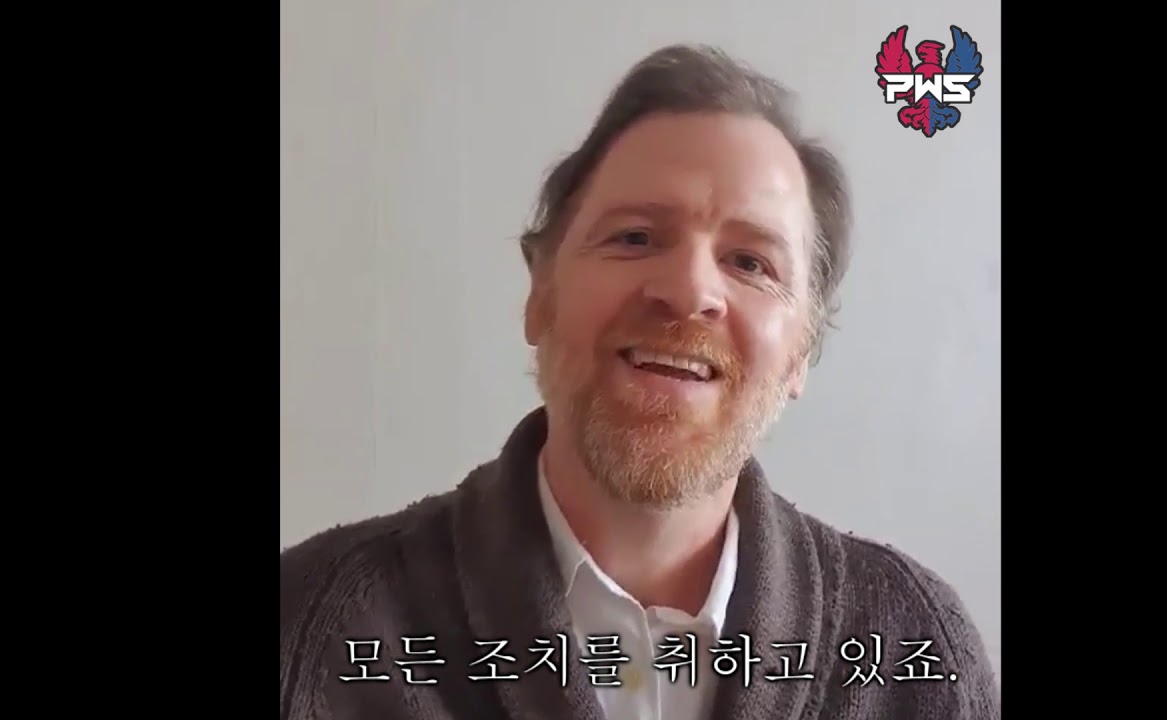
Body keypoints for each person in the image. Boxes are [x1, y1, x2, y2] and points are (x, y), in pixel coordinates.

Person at [280, 43, 999, 720]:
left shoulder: (915, 651)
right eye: (634, 237)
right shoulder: (311, 632)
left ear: (800, 352)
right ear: (540, 295)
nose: (688, 292)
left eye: (751, 263)